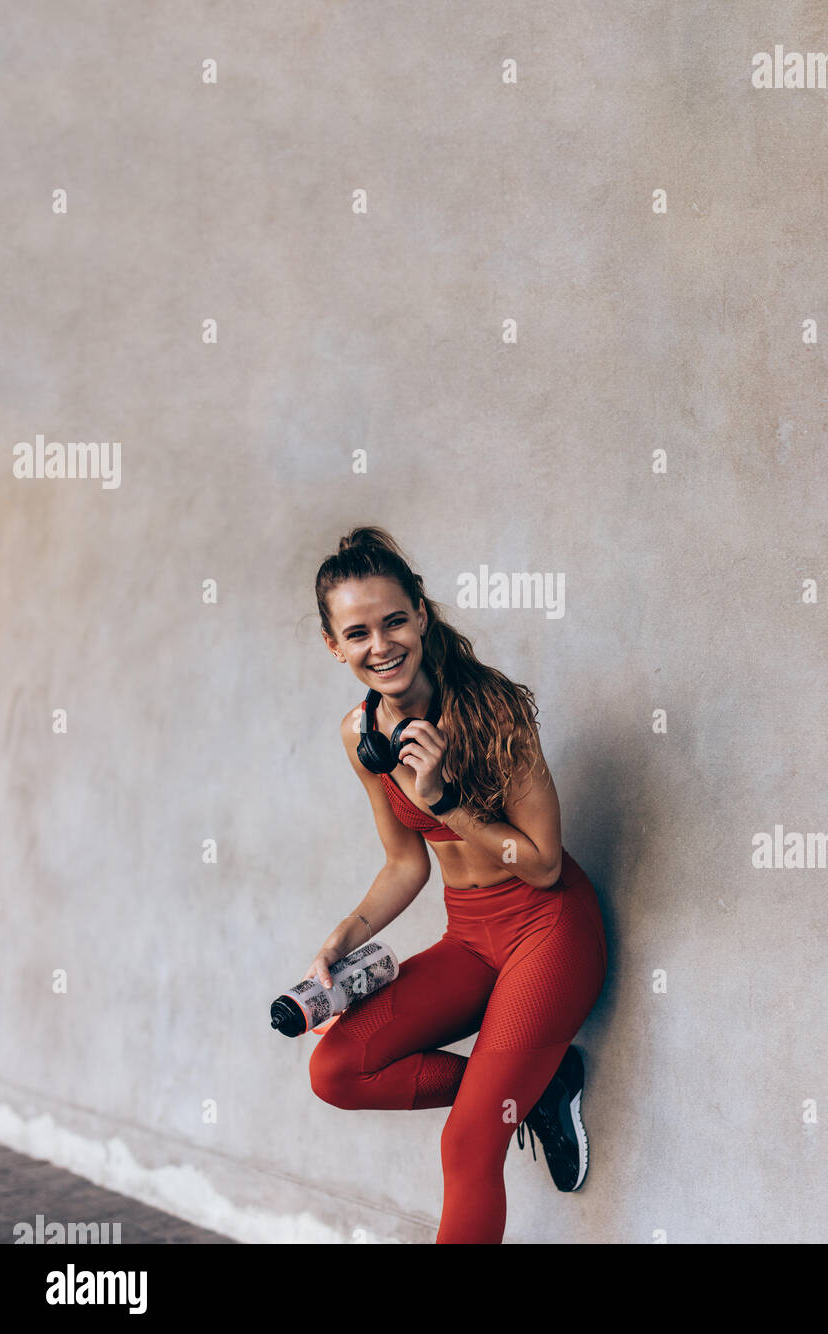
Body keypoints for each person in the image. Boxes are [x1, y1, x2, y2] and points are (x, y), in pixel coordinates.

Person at [304, 525, 608, 1244]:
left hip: (549, 929)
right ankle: (538, 1085)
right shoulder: (362, 735)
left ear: (421, 612)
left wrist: (443, 799)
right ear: (334, 646)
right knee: (337, 1071)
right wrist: (341, 940)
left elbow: (541, 864)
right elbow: (406, 863)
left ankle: (517, 1088)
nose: (380, 645)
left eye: (393, 621)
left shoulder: (491, 710)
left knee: (468, 1145)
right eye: (357, 633)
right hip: (469, 936)